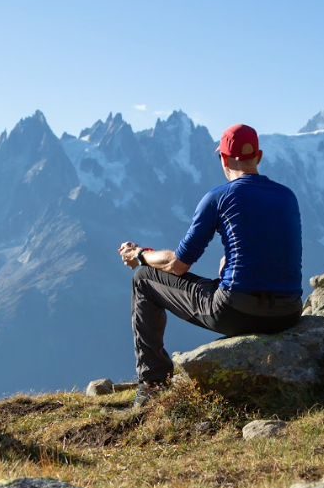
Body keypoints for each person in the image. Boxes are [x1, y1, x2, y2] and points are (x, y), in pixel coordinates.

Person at [118, 123, 303, 403]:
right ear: (259, 156)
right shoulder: (287, 196)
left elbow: (176, 265)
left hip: (237, 311)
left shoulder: (219, 198)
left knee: (143, 279)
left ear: (224, 159)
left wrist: (140, 253)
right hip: (289, 312)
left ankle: (152, 386)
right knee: (226, 263)